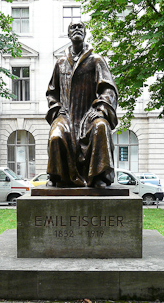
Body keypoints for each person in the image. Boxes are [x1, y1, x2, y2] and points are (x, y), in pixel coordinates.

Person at [45, 22, 118, 189]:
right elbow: (51, 92)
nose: (76, 29)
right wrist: (56, 109)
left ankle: (99, 176)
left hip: (89, 114)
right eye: (73, 27)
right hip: (66, 115)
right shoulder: (61, 62)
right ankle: (57, 176)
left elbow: (108, 89)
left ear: (85, 33)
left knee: (100, 127)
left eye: (80, 27)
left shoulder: (96, 60)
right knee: (56, 135)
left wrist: (99, 110)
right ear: (68, 34)